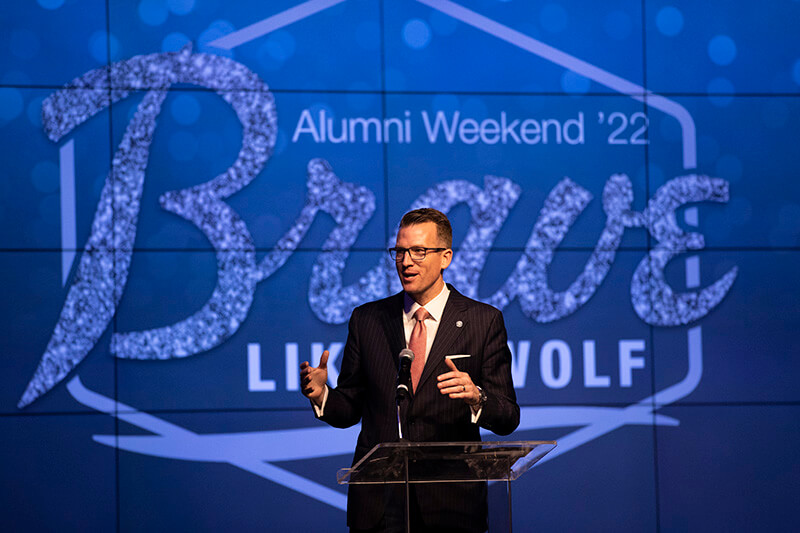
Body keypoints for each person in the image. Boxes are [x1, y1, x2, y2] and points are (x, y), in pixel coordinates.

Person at [300, 208, 519, 532]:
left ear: (445, 257)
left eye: (418, 251)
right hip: (380, 506)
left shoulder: (482, 321)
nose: (406, 261)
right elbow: (349, 407)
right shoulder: (368, 320)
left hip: (452, 505)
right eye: (400, 251)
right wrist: (323, 395)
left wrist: (477, 398)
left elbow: (508, 417)